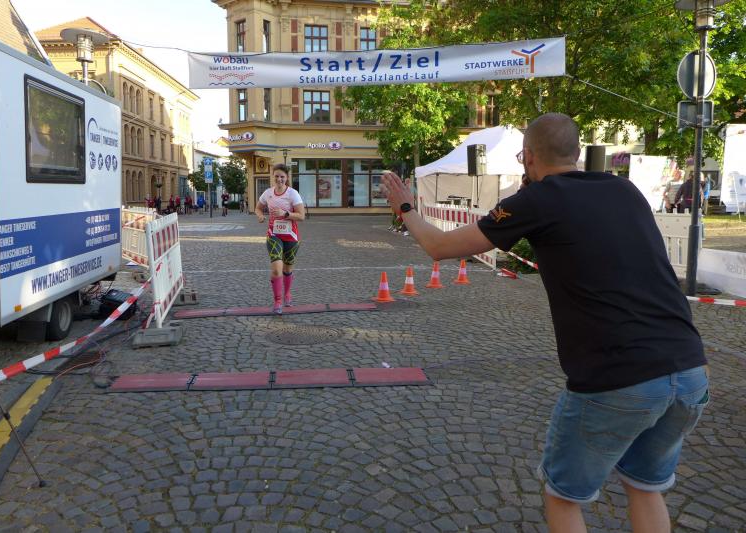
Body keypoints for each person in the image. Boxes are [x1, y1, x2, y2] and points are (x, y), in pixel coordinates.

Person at [382, 113, 708, 533]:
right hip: (689, 369)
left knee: (564, 496)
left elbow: (439, 245)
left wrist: (405, 206)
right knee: (646, 487)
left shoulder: (537, 201)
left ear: (529, 156)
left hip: (618, 374)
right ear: (577, 151)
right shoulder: (624, 189)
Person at [255, 164, 305, 314]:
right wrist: (260, 216)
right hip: (274, 235)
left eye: (282, 176)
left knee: (287, 269)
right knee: (277, 269)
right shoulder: (268, 193)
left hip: (291, 237)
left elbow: (301, 216)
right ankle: (277, 301)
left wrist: (285, 214)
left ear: (287, 178)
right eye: (276, 176)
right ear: (273, 176)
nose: (279, 179)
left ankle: (287, 294)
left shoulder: (293, 194)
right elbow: (258, 208)